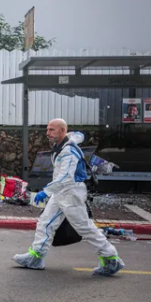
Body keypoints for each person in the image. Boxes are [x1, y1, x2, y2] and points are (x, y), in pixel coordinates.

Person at [13, 118, 124, 276]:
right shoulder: (66, 142)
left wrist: (46, 191)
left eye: (51, 130)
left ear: (62, 131)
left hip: (70, 193)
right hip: (62, 193)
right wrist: (76, 135)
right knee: (45, 223)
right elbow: (78, 135)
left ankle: (111, 259)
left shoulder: (68, 152)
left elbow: (65, 177)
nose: (47, 133)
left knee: (84, 227)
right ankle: (35, 257)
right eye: (47, 129)